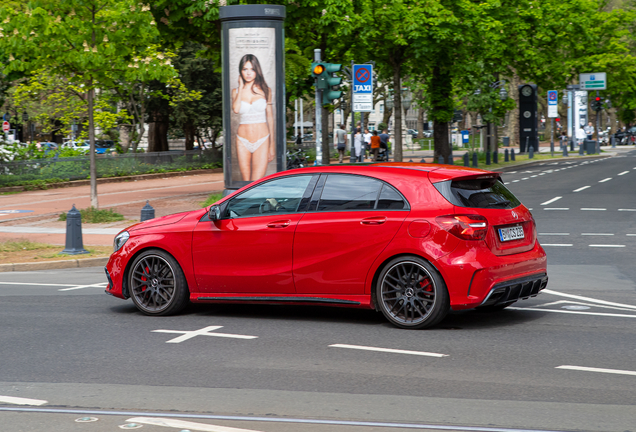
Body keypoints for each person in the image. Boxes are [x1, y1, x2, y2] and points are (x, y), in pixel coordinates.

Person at [232, 54, 275, 181]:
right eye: (245, 69)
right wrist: (240, 87)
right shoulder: (236, 91)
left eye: (252, 69)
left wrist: (271, 146)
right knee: (246, 183)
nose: (248, 73)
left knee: (257, 183)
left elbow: (270, 118)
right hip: (242, 140)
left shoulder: (266, 90)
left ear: (257, 70)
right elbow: (236, 109)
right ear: (240, 71)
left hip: (262, 139)